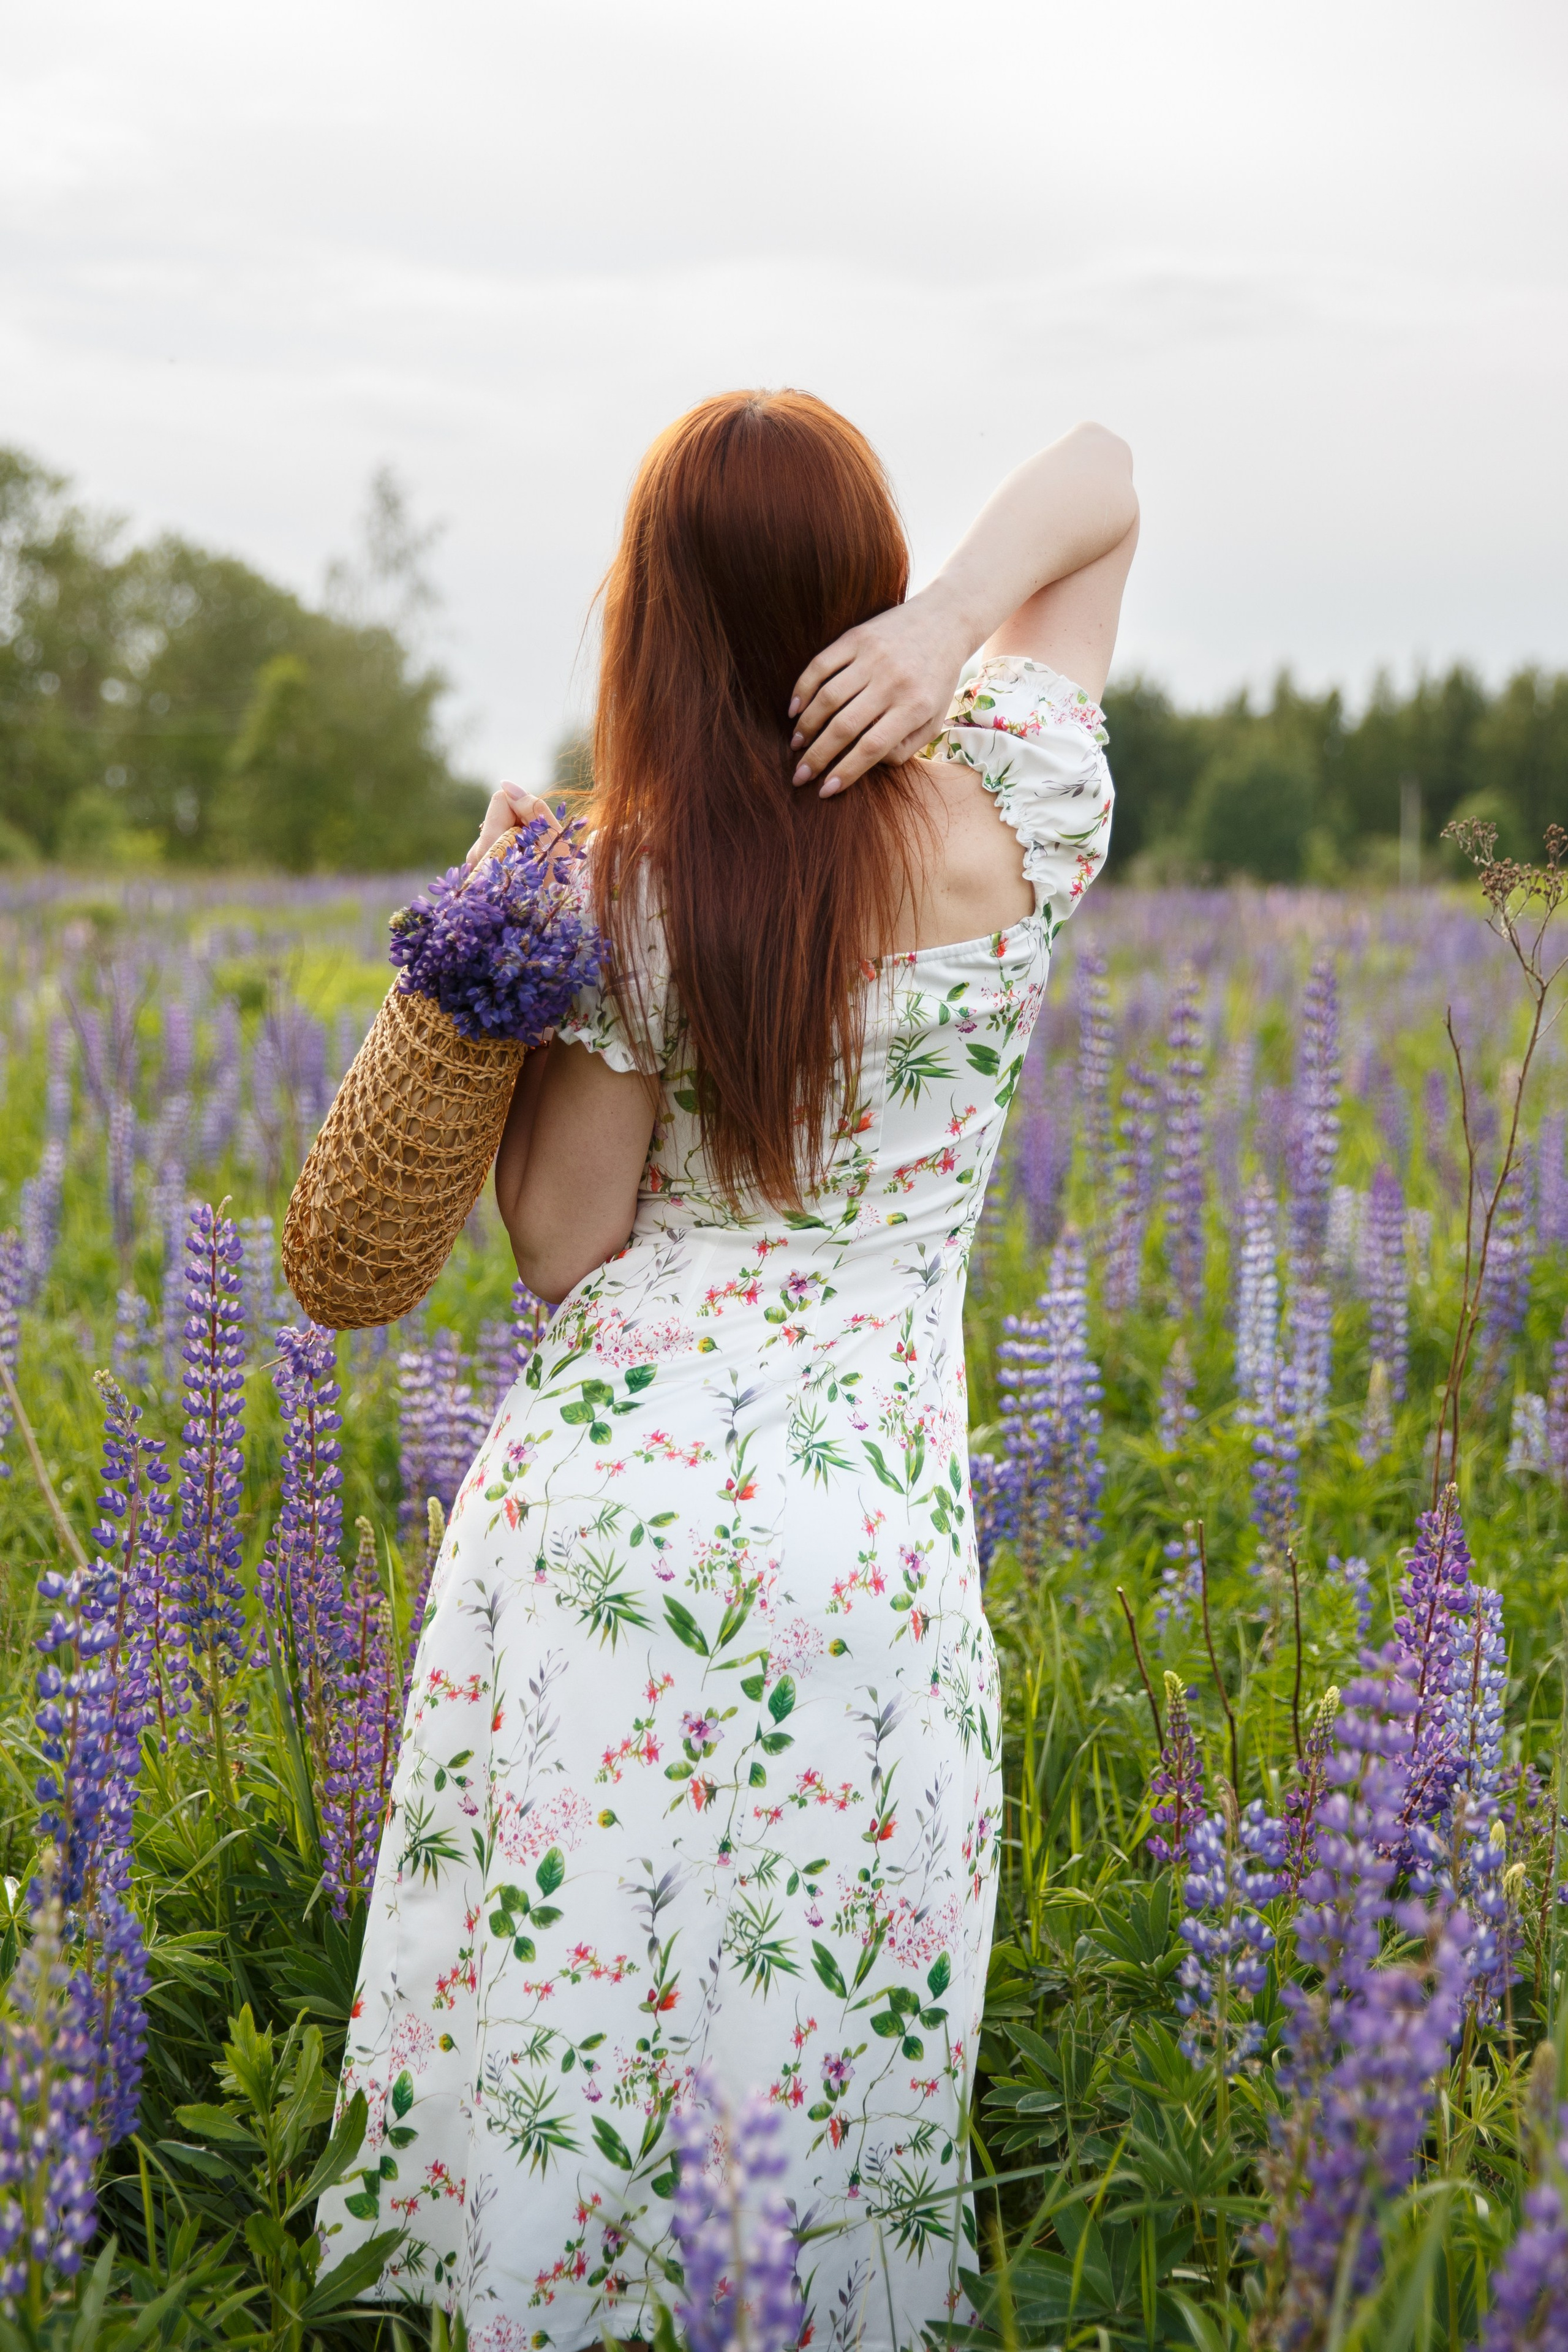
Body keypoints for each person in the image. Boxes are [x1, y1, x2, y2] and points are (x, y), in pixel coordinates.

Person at [318, 391, 1137, 2352]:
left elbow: (559, 1245)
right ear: (853, 586)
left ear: (654, 618)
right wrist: (950, 626)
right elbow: (1102, 474)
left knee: (575, 1998)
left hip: (604, 1493)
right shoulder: (1021, 798)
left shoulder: (638, 885)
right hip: (859, 1515)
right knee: (824, 2007)